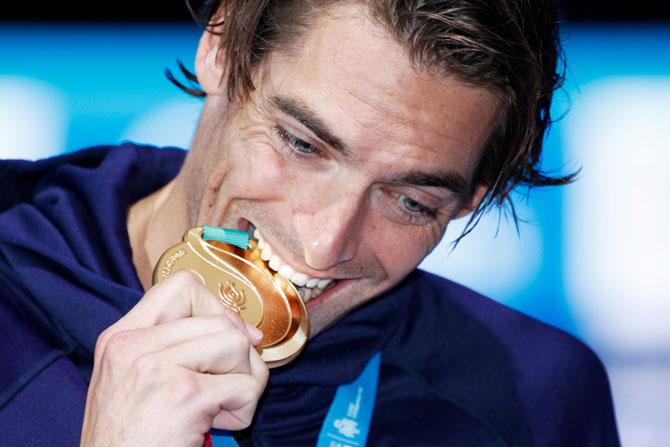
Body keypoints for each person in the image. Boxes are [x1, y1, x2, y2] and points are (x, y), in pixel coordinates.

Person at [0, 0, 620, 445]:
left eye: (409, 202)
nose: (324, 246)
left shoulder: (536, 404)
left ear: (469, 202)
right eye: (302, 145)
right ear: (221, 46)